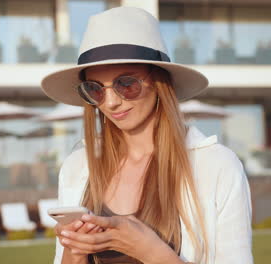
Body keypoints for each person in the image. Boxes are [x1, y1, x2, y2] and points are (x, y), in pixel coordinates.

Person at [41, 6, 253, 264]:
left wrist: (149, 250)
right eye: (95, 89)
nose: (111, 103)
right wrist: (74, 249)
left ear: (160, 82)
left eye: (126, 83)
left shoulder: (217, 166)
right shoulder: (78, 166)